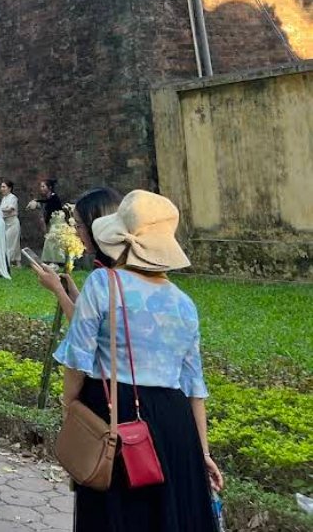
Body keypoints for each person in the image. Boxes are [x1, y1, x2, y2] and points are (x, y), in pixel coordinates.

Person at [53, 190, 222, 531]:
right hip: (176, 425)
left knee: (116, 515)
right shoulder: (184, 303)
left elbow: (77, 357)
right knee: (166, 518)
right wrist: (203, 452)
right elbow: (194, 387)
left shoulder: (103, 283)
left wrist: (70, 406)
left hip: (116, 413)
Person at [31, 186, 122, 319]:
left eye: (79, 225)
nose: (76, 232)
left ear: (95, 224)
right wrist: (72, 292)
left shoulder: (104, 275)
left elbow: (82, 323)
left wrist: (58, 289)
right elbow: (93, 312)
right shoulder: (120, 260)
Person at [0, 180, 21, 266]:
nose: (2, 189)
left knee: (11, 242)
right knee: (8, 242)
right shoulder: (4, 198)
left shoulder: (13, 197)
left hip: (13, 223)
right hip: (5, 223)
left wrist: (0, 210)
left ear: (9, 188)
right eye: (1, 187)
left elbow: (10, 209)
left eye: (4, 187)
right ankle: (16, 262)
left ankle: (10, 262)